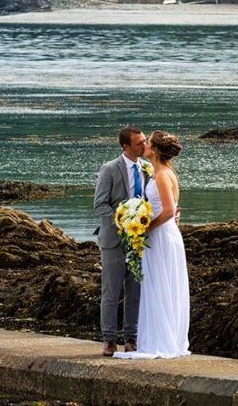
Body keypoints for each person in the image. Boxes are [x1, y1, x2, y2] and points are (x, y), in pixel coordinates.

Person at [115, 130, 190, 359]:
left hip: (162, 237)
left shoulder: (162, 176)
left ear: (154, 150)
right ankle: (163, 337)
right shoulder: (163, 172)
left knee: (160, 285)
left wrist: (146, 227)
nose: (144, 145)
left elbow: (168, 210)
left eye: (147, 142)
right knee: (160, 286)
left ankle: (162, 341)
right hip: (165, 234)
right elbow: (173, 208)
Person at [94, 125, 147, 356]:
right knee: (111, 291)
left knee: (135, 292)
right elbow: (100, 204)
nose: (144, 146)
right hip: (114, 240)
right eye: (139, 143)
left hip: (138, 240)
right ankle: (108, 340)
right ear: (126, 146)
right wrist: (121, 221)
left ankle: (131, 338)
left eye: (145, 141)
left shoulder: (146, 168)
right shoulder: (109, 169)